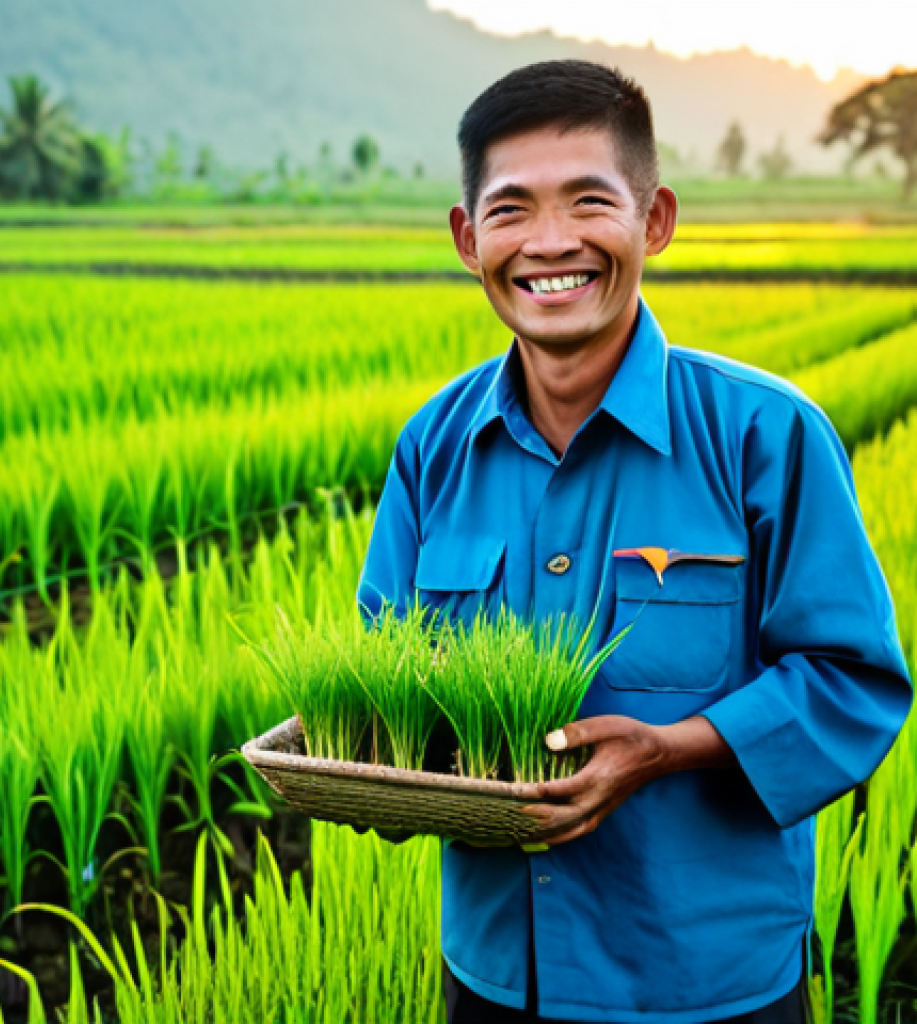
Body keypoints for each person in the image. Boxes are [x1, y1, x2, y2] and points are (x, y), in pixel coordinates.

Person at [356, 60, 912, 1023]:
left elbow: (852, 681)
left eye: (589, 201)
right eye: (511, 210)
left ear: (654, 220)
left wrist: (667, 748)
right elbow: (384, 679)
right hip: (497, 972)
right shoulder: (434, 445)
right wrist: (383, 774)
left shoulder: (764, 434)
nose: (550, 243)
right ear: (468, 238)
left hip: (706, 979)